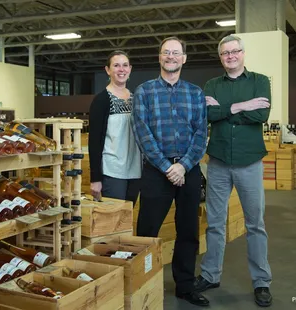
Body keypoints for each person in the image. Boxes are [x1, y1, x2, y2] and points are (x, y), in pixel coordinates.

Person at [194, 35, 273, 307]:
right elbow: (208, 115)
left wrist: (224, 110)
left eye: (235, 51)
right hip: (217, 163)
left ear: (243, 53)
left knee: (255, 225)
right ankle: (210, 274)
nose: (231, 56)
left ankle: (261, 281)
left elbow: (260, 116)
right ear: (221, 57)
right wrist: (242, 106)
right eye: (225, 53)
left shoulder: (260, 81)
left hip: (249, 162)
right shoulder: (212, 85)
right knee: (215, 223)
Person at [132, 37, 209, 307]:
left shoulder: (195, 93)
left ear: (184, 58)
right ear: (160, 57)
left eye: (176, 53)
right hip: (156, 171)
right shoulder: (144, 91)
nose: (171, 57)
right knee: (147, 231)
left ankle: (185, 287)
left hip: (188, 170)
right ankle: (142, 284)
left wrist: (183, 166)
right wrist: (167, 167)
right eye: (167, 53)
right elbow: (143, 134)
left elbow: (201, 134)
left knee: (188, 230)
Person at [88, 50, 141, 205]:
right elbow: (94, 142)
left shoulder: (136, 99)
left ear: (130, 69)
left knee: (126, 219)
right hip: (112, 171)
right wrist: (95, 178)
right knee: (113, 221)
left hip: (135, 170)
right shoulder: (101, 100)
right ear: (108, 70)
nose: (121, 69)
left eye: (125, 65)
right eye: (116, 65)